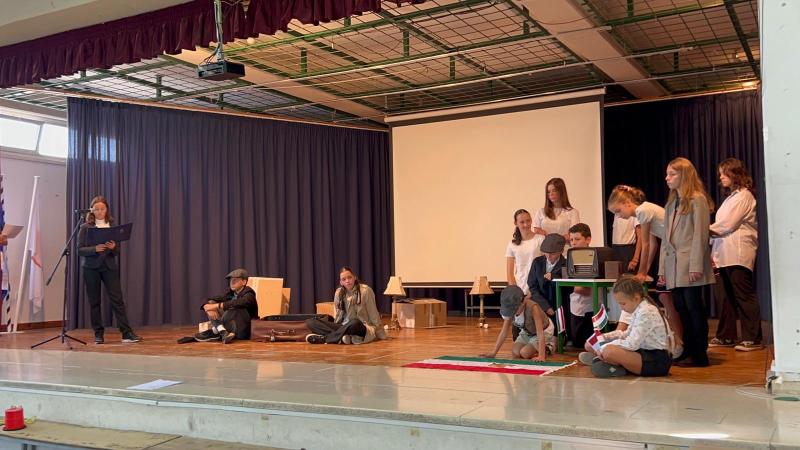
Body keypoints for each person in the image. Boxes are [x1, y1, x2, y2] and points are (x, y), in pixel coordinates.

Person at [607, 184, 684, 358]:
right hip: (671, 249)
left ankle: (678, 344)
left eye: (618, 211)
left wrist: (641, 272)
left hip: (678, 249)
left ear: (627, 203)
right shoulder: (644, 211)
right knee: (665, 298)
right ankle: (677, 344)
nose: (618, 216)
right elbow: (654, 243)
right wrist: (645, 271)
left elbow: (647, 244)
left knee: (668, 298)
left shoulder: (642, 210)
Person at [659, 157, 715, 367]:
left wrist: (696, 266)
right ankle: (689, 349)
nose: (667, 178)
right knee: (681, 308)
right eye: (667, 174)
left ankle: (700, 354)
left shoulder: (697, 200)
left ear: (684, 175)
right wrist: (662, 269)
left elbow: (700, 235)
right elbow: (666, 239)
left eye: (672, 174)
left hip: (689, 264)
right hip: (673, 266)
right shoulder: (671, 204)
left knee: (694, 308)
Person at [709, 158, 763, 352]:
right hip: (723, 253)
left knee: (743, 294)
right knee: (725, 297)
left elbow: (728, 225)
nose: (721, 177)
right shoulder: (730, 198)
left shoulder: (744, 196)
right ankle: (726, 335)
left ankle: (753, 338)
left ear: (735, 174)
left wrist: (703, 230)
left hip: (738, 252)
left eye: (724, 173)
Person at [76, 196, 140, 344]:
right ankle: (98, 334)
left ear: (107, 210)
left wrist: (113, 247)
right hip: (91, 268)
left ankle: (126, 333)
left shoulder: (112, 225)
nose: (100, 212)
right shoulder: (85, 227)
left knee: (118, 300)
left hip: (109, 266)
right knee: (95, 302)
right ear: (92, 211)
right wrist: (94, 249)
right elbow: (79, 250)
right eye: (96, 209)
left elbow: (116, 252)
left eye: (102, 209)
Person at [581, 275, 673, 378]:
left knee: (609, 351)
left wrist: (604, 347)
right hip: (643, 353)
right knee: (592, 344)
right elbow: (626, 334)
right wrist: (605, 337)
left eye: (623, 304)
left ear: (636, 298)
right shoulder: (638, 309)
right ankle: (603, 360)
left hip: (656, 360)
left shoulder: (646, 312)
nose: (621, 308)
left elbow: (631, 344)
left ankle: (612, 365)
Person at [305, 267, 386, 345]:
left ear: (354, 278)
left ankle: (324, 339)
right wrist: (335, 326)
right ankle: (341, 337)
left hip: (360, 326)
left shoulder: (365, 291)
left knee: (354, 322)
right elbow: (338, 315)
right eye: (344, 279)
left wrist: (380, 334)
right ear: (341, 282)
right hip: (343, 326)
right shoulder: (338, 293)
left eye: (349, 277)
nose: (347, 281)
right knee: (311, 322)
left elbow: (373, 313)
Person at [479, 285, 553, 361]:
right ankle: (533, 347)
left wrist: (541, 356)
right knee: (516, 352)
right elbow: (504, 332)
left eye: (514, 309)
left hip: (544, 330)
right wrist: (493, 353)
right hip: (527, 331)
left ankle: (548, 347)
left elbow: (540, 333)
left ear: (523, 302)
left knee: (525, 353)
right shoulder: (510, 311)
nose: (512, 313)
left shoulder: (533, 308)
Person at [195, 268, 258, 344]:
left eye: (236, 280)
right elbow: (208, 299)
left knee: (234, 306)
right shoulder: (230, 294)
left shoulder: (249, 293)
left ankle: (217, 331)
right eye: (231, 280)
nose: (232, 282)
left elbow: (240, 302)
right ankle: (222, 331)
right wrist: (207, 307)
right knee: (211, 303)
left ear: (244, 282)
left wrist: (217, 306)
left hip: (245, 331)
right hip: (232, 328)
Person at [526, 234, 569, 337]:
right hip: (540, 305)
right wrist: (546, 307)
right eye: (546, 253)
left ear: (561, 251)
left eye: (552, 253)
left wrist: (554, 277)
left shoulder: (567, 264)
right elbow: (532, 287)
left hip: (560, 307)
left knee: (558, 335)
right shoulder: (537, 262)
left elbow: (567, 286)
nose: (549, 256)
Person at [532, 178, 580, 254]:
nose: (551, 194)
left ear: (561, 191)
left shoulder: (572, 212)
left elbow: (573, 235)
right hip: (545, 252)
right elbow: (536, 231)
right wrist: (555, 238)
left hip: (564, 252)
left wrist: (555, 239)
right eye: (548, 192)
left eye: (554, 190)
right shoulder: (541, 212)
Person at [567, 223, 595, 348]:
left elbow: (586, 290)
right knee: (577, 343)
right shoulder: (569, 259)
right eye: (571, 240)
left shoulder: (594, 258)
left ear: (588, 239)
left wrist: (573, 287)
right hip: (576, 307)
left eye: (577, 239)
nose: (573, 243)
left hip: (591, 308)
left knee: (589, 342)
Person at [505, 209, 537, 297]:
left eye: (528, 221)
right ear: (516, 223)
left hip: (537, 291)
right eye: (522, 222)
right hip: (519, 289)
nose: (526, 224)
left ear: (531, 220)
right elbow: (510, 274)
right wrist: (515, 293)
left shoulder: (540, 239)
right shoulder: (512, 244)